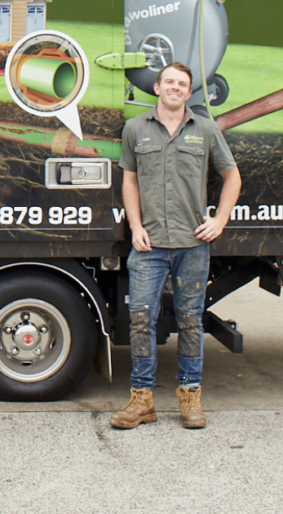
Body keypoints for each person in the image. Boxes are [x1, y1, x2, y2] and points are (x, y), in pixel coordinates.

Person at [110, 61, 241, 431]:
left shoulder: (206, 130)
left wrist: (220, 221)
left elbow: (232, 177)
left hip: (192, 245)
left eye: (182, 84)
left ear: (189, 91)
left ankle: (190, 399)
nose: (175, 88)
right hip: (149, 245)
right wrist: (135, 226)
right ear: (157, 88)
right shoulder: (135, 130)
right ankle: (142, 401)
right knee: (140, 321)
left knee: (189, 322)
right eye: (169, 82)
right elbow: (130, 182)